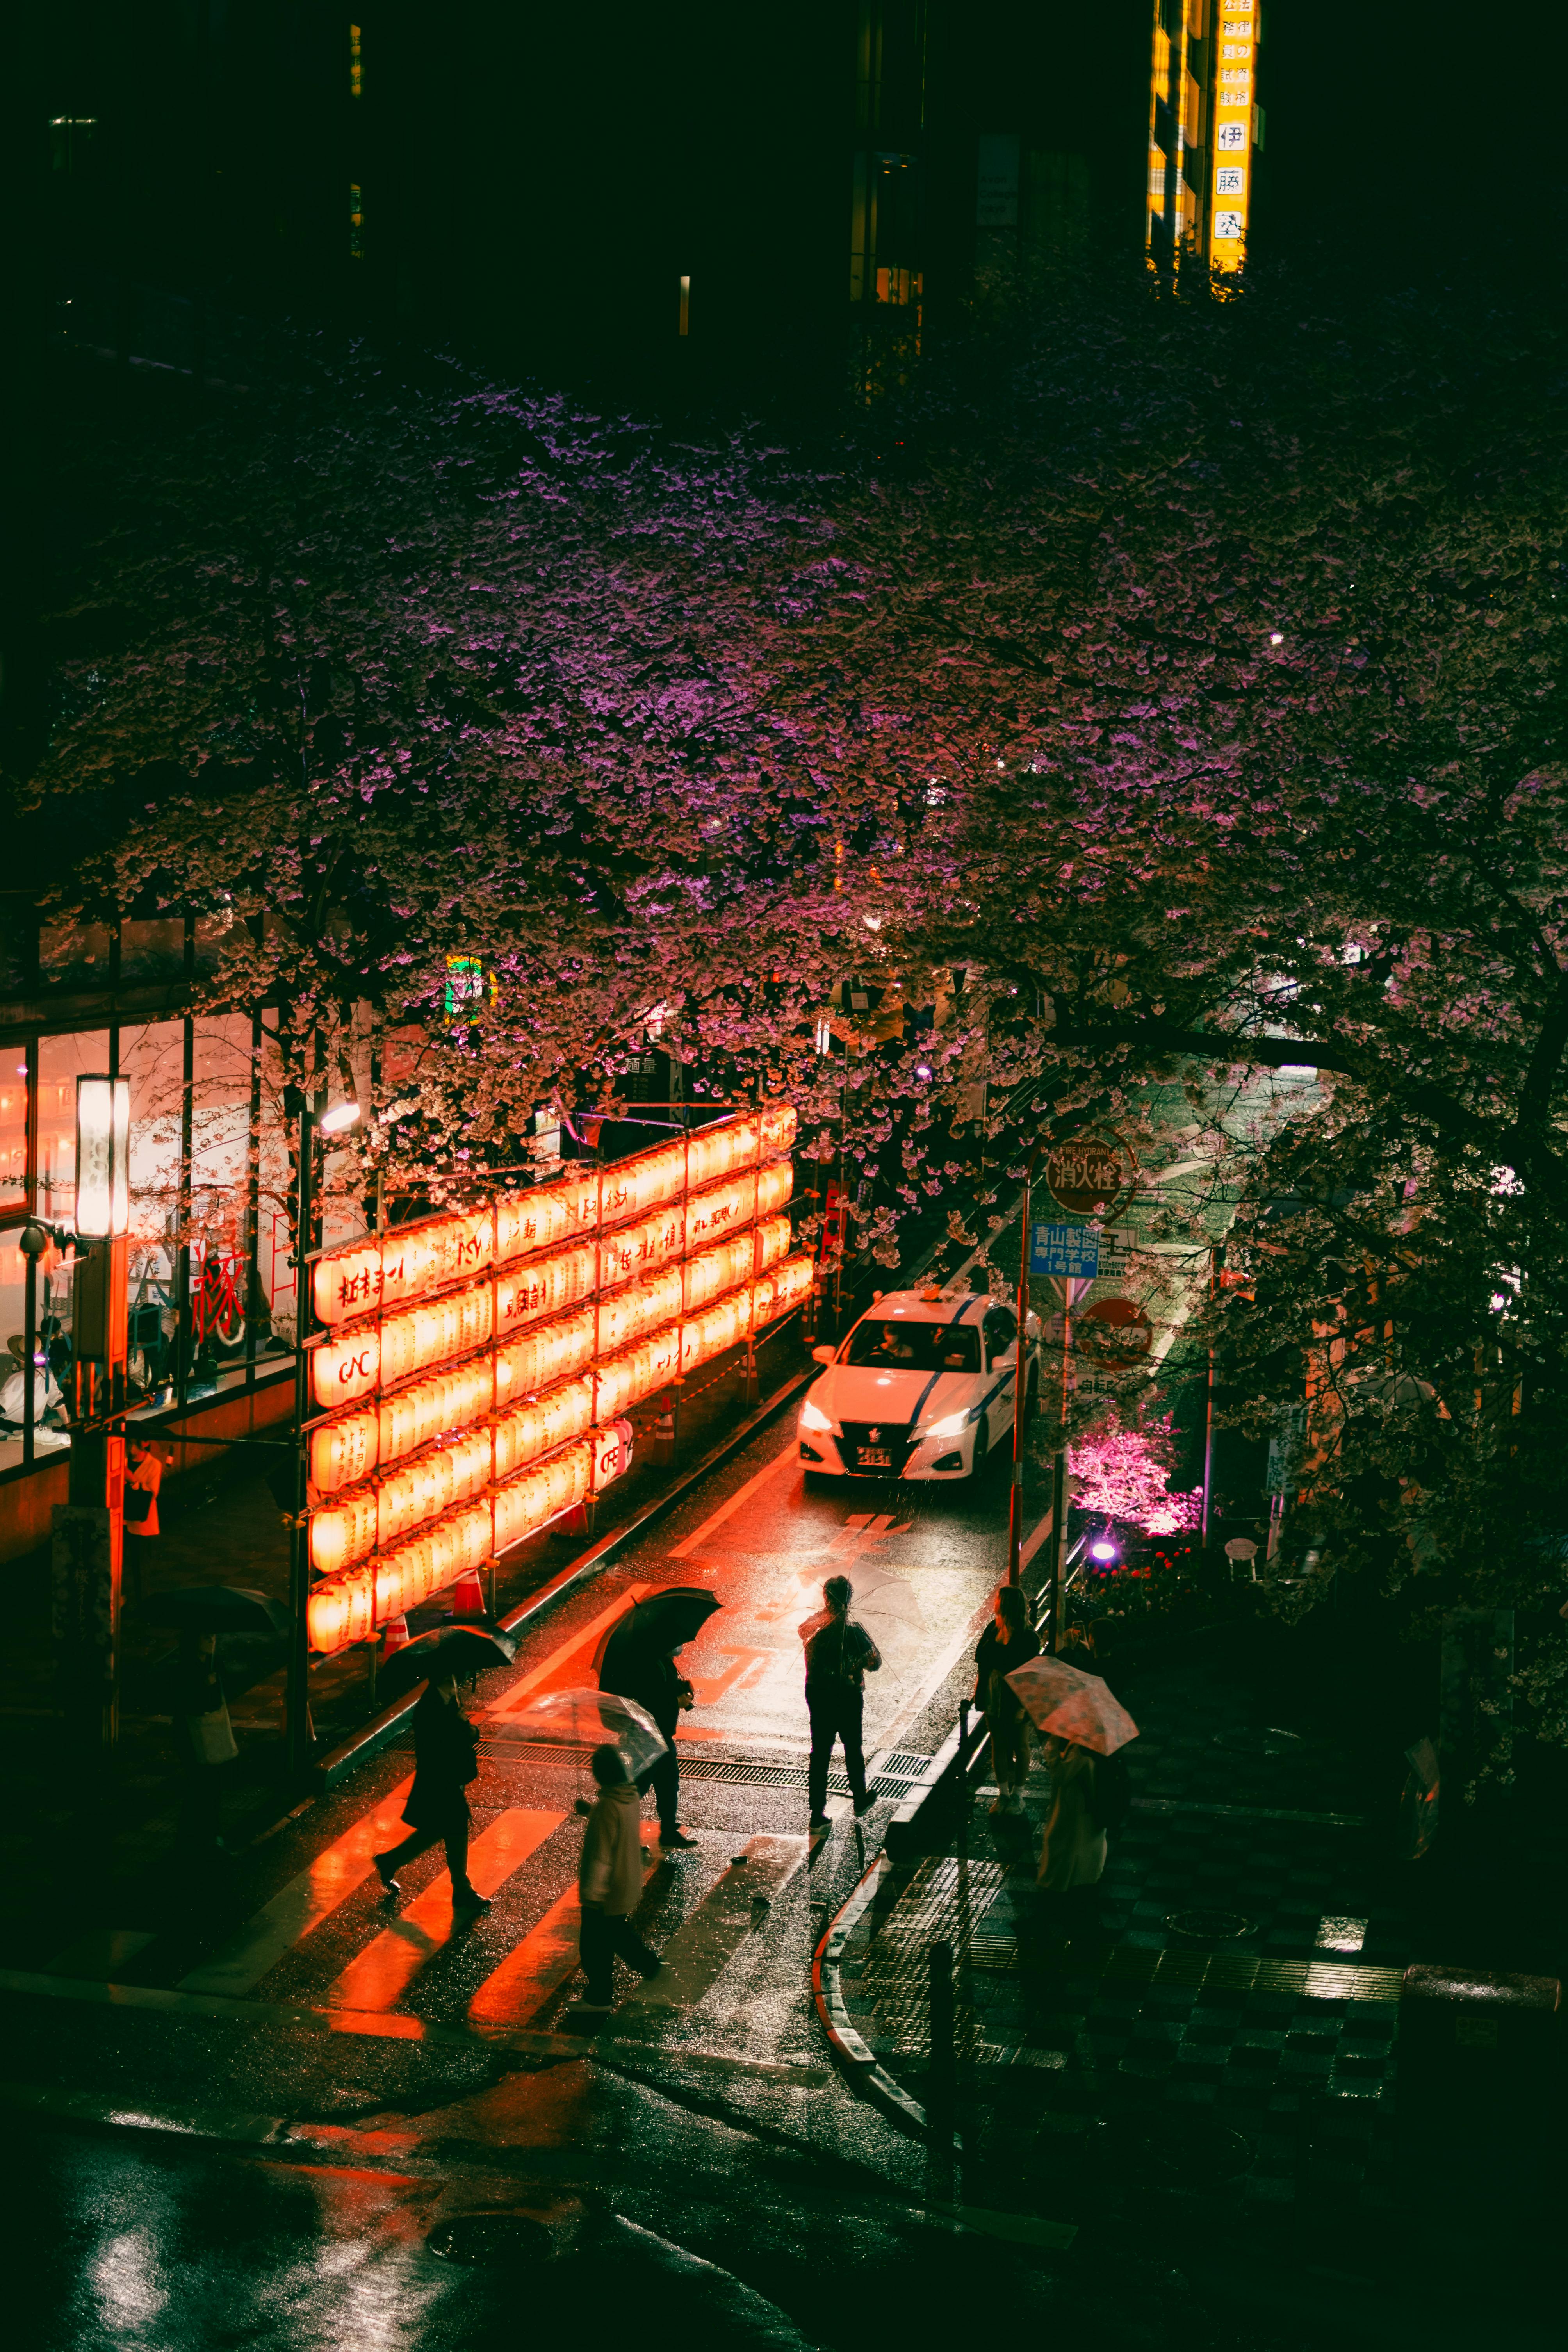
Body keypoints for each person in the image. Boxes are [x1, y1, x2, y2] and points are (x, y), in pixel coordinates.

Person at [374, 1672, 492, 1913]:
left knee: (441, 1828)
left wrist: (465, 1727)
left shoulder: (447, 1699)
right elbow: (442, 1742)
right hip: (440, 1777)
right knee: (455, 1826)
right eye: (452, 1676)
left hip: (445, 1776)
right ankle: (461, 1889)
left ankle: (391, 1860)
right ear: (442, 1677)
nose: (457, 1680)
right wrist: (468, 1731)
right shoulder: (431, 1706)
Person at [572, 1744, 661, 2017]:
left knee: (593, 1945)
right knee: (614, 1933)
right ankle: (646, 1965)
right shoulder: (628, 1797)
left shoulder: (607, 1808)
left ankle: (601, 1996)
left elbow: (601, 1855)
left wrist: (593, 1893)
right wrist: (591, 1811)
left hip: (606, 1889)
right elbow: (616, 1827)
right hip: (625, 1881)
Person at [599, 1623, 698, 1852]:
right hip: (643, 1737)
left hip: (663, 1736)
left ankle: (669, 1832)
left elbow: (663, 1689)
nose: (678, 1646)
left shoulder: (663, 1660)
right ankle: (619, 1834)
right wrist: (676, 1702)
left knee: (669, 1785)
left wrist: (681, 1688)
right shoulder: (642, 1665)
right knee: (637, 1789)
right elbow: (645, 1702)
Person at [798, 1574, 882, 1830]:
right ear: (849, 1599)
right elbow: (875, 1663)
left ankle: (817, 1813)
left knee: (820, 1752)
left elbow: (801, 1631)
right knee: (852, 1747)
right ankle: (859, 1797)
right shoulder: (854, 1633)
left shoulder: (813, 1625)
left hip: (817, 1692)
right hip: (847, 1695)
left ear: (826, 1598)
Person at [973, 1584, 1040, 1816]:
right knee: (999, 1744)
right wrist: (979, 1694)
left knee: (1021, 1746)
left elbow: (1031, 1675)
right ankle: (1003, 1795)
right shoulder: (993, 1629)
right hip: (993, 1693)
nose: (994, 1603)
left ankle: (1018, 1796)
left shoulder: (1029, 1637)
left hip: (1016, 1696)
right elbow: (981, 1660)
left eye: (998, 1600)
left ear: (1005, 1605)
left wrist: (1024, 1706)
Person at [1036, 1735, 1107, 1942]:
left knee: (1064, 1853)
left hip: (1076, 1813)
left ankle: (1060, 1915)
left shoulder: (1080, 1750)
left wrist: (1052, 1750)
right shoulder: (1097, 1744)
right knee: (1085, 1859)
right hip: (1091, 1814)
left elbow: (1061, 1776)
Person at [172, 1631, 237, 1852]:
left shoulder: (213, 1664)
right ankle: (201, 1837)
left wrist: (215, 1680)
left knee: (208, 1786)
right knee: (202, 1786)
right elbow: (198, 1706)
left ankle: (201, 1836)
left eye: (214, 1636)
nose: (212, 1641)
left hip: (206, 1736)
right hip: (191, 1737)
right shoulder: (185, 1669)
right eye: (206, 1637)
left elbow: (226, 1692)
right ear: (193, 1641)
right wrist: (208, 1685)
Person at [122, 1440, 164, 1604]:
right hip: (123, 1520)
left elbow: (152, 1494)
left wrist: (133, 1482)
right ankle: (121, 1600)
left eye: (133, 1444)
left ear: (144, 1444)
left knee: (140, 1566)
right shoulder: (122, 1459)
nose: (130, 1448)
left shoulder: (154, 1465)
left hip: (141, 1523)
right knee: (120, 1564)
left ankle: (142, 1602)